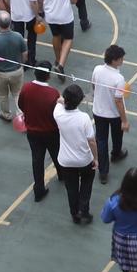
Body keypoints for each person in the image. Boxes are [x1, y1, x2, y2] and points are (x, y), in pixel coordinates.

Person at [54, 81, 100, 222]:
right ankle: (83, 209)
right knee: (86, 183)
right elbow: (91, 141)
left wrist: (62, 100)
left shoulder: (58, 114)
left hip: (66, 161)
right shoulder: (84, 118)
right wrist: (96, 158)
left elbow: (58, 101)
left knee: (71, 188)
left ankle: (74, 213)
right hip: (84, 159)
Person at [18, 63, 62, 201]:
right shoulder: (53, 93)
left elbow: (21, 104)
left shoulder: (26, 88)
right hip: (50, 131)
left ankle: (39, 189)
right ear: (48, 76)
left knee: (37, 159)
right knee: (56, 154)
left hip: (33, 131)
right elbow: (57, 113)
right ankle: (62, 174)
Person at [90, 45, 130, 178]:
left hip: (98, 111)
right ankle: (116, 154)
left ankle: (103, 172)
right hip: (113, 114)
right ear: (114, 60)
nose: (122, 60)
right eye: (121, 59)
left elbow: (94, 85)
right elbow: (118, 101)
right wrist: (124, 120)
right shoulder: (119, 79)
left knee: (101, 140)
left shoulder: (97, 69)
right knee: (117, 135)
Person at [0, 12, 27, 123]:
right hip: (17, 71)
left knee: (3, 95)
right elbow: (25, 53)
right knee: (17, 93)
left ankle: (6, 114)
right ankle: (21, 114)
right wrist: (22, 64)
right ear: (10, 23)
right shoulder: (18, 36)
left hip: (1, 73)